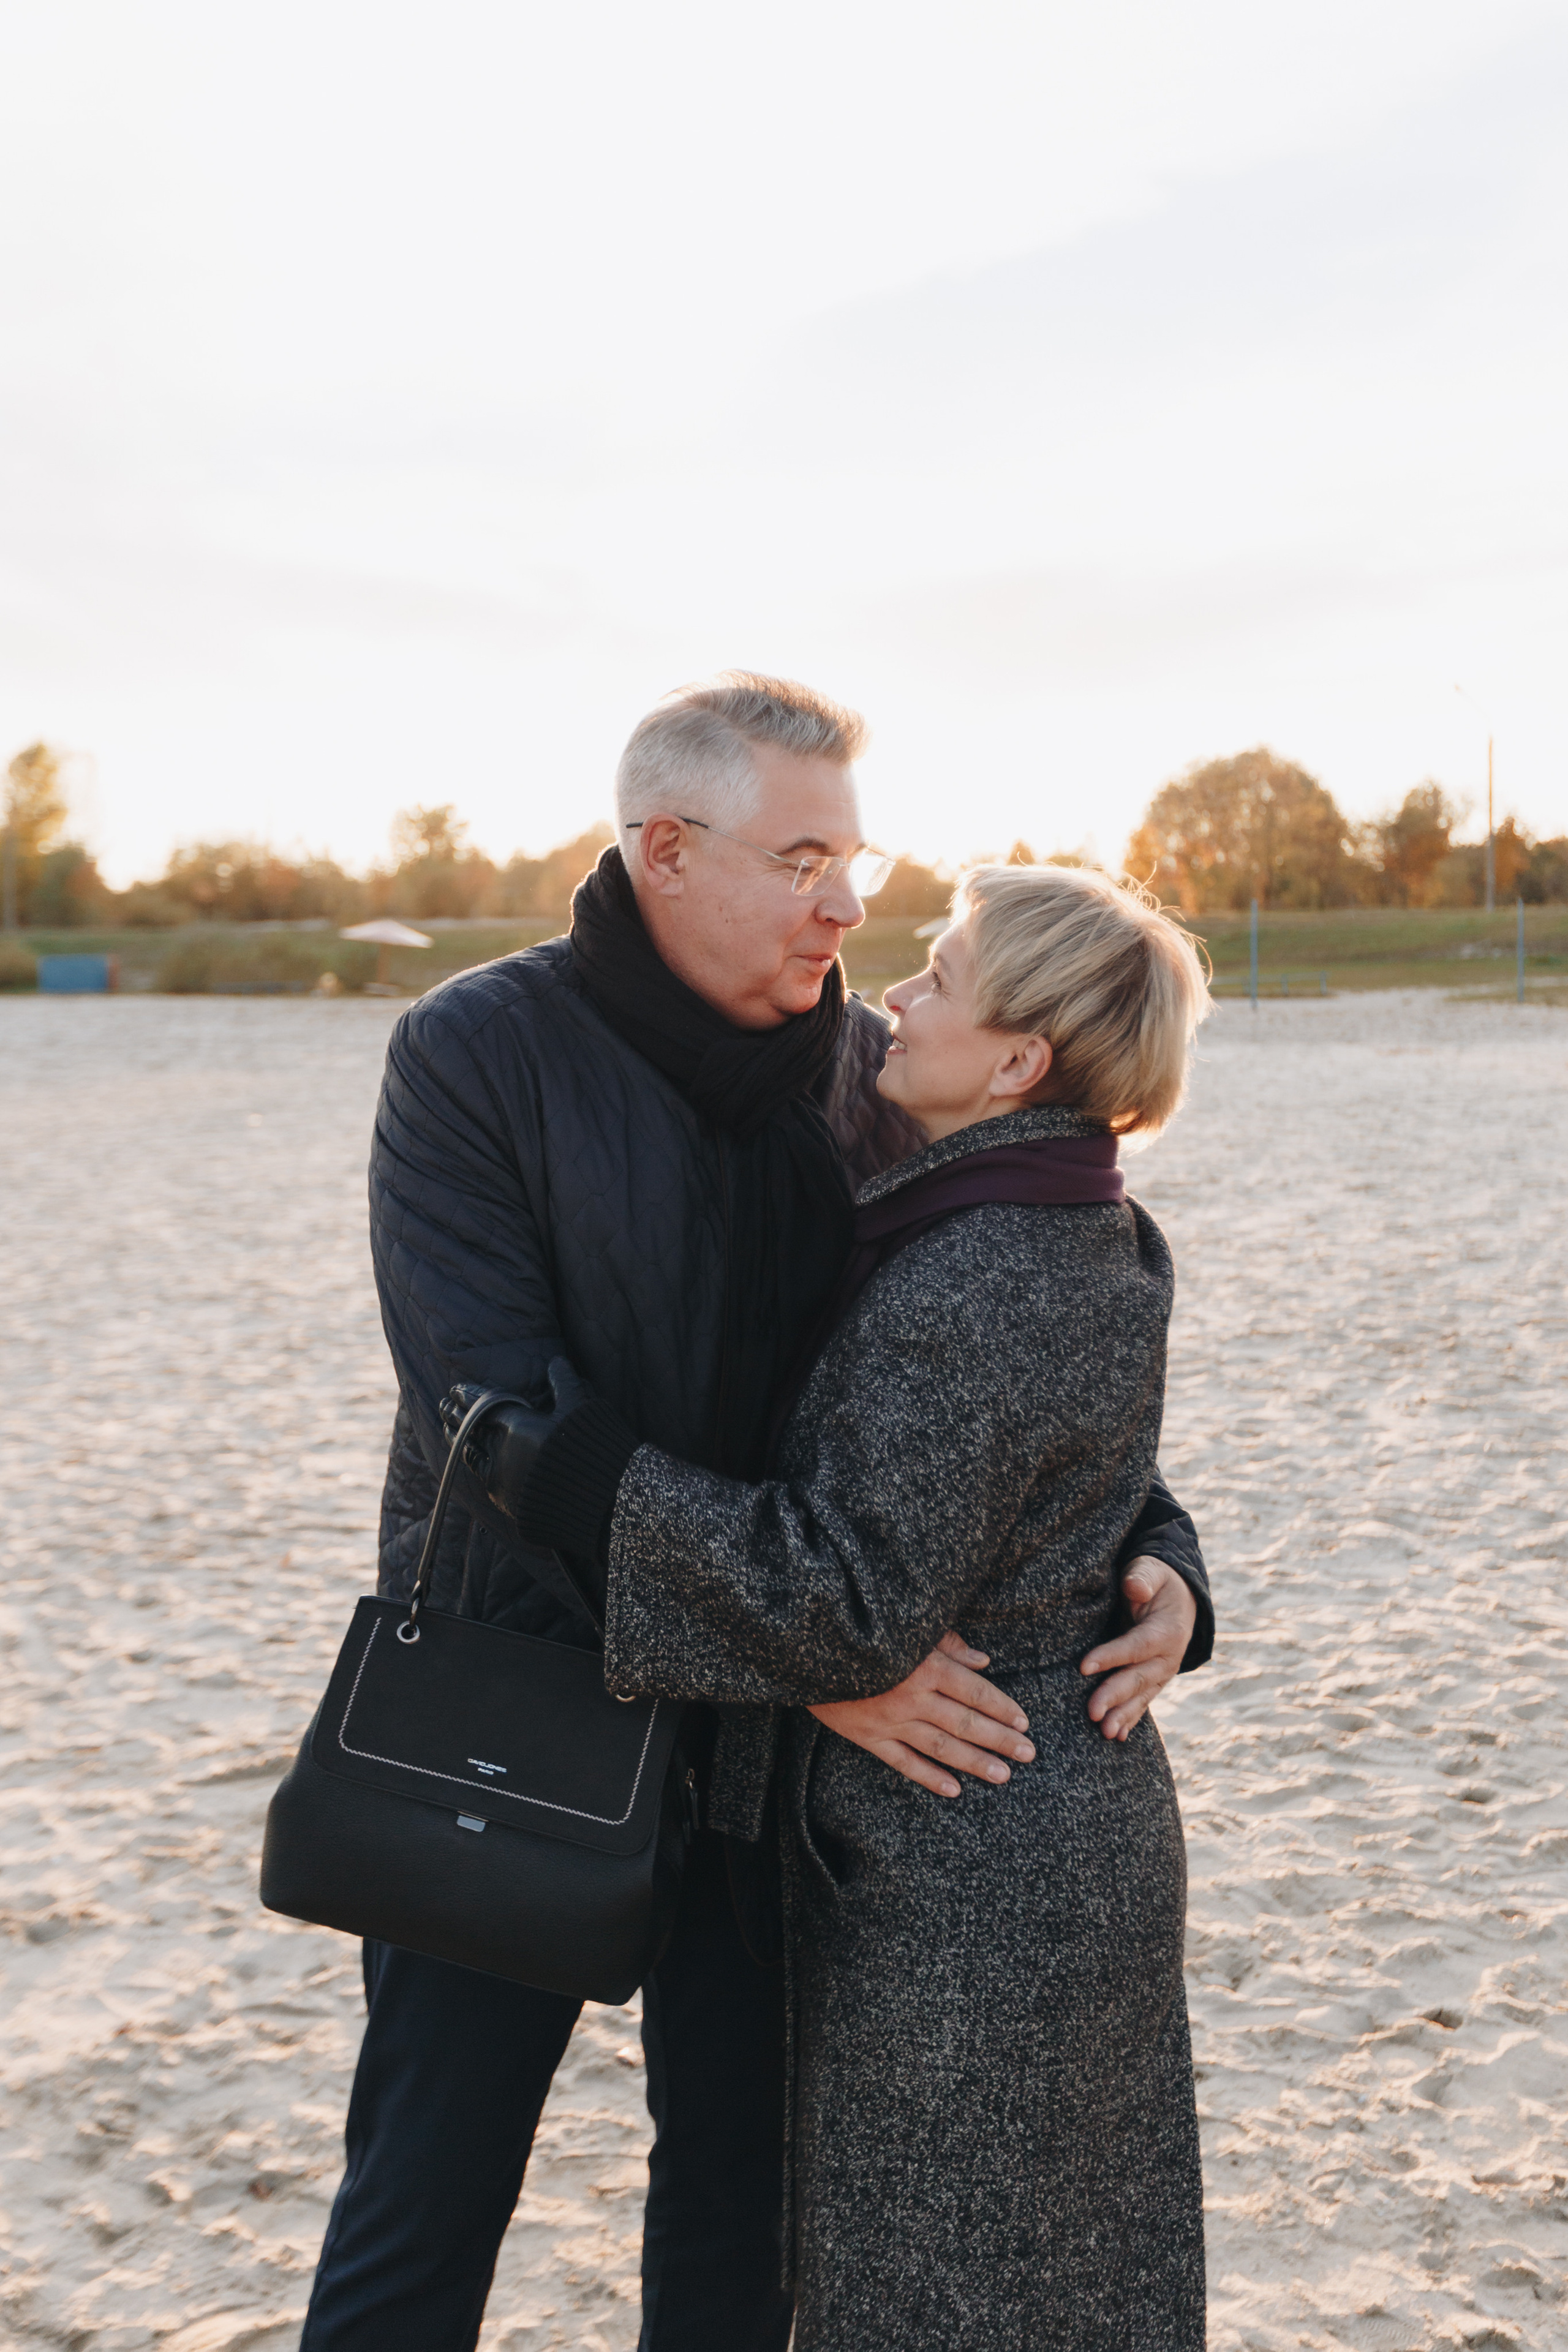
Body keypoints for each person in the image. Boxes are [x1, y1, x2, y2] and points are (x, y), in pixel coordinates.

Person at [300, 676, 1214, 2351]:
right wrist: (811, 1651)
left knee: (736, 2225)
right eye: (803, 859)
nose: (849, 905)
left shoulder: (877, 1077)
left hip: (780, 1787)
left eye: (855, 859)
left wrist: (1163, 1550)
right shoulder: (472, 1052)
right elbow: (490, 1410)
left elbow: (1008, 1369)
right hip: (522, 1713)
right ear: (664, 848)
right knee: (423, 2204)